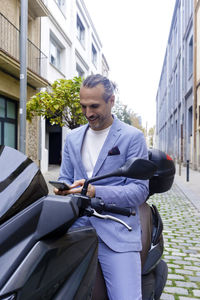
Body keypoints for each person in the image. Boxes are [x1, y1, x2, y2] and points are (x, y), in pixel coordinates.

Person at [54, 74, 149, 300]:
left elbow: (139, 190)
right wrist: (63, 190)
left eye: (94, 106)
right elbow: (65, 176)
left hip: (117, 228)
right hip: (76, 226)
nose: (88, 113)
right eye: (83, 106)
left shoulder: (132, 137)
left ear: (111, 101)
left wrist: (96, 191)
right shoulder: (73, 138)